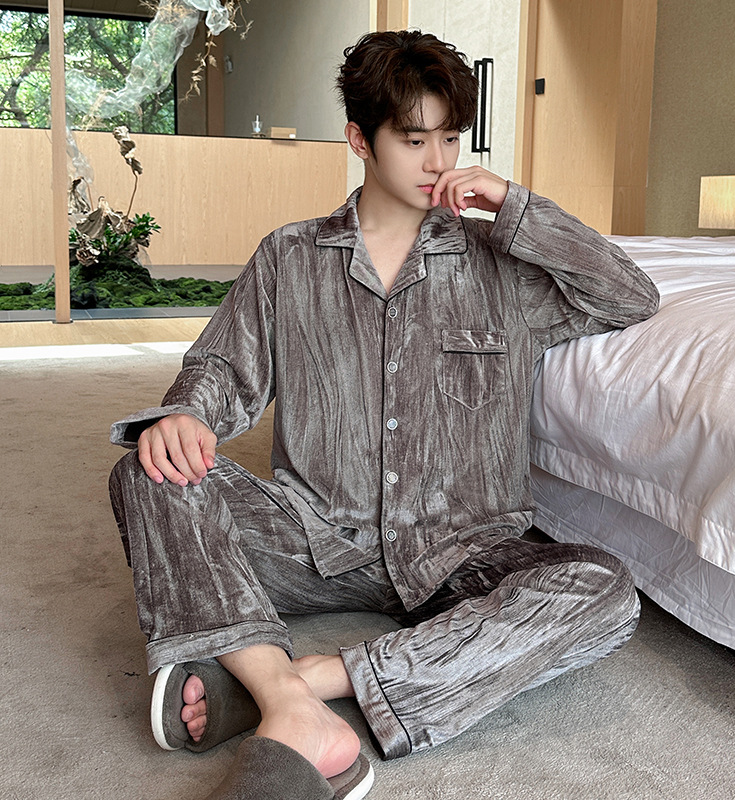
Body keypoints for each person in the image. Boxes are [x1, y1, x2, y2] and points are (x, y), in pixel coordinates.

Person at [109, 29, 659, 800]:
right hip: (315, 538)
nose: (439, 161)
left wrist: (515, 205)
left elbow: (630, 295)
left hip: (463, 551)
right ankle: (284, 696)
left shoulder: (503, 267)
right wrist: (187, 417)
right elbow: (221, 369)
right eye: (413, 139)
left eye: (451, 138)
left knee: (603, 591)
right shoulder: (290, 257)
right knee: (148, 469)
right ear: (360, 140)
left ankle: (302, 683)